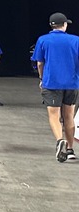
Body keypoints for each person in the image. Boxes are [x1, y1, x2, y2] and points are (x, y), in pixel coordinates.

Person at [32, 12, 79, 163]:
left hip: (51, 82)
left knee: (54, 115)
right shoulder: (75, 40)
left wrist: (41, 78)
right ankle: (70, 149)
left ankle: (60, 140)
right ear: (64, 24)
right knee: (69, 115)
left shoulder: (43, 40)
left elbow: (39, 63)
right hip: (71, 83)